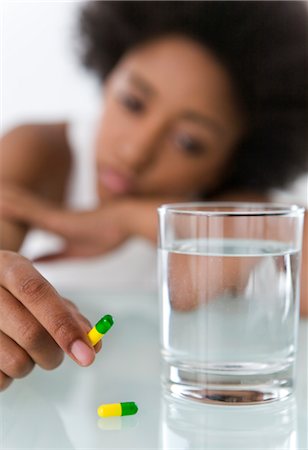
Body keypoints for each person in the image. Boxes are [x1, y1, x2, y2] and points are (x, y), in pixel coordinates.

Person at [0, 1, 307, 391]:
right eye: (132, 102)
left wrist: (124, 218)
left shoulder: (231, 205)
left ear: (230, 161)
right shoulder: (40, 150)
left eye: (188, 142)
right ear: (109, 74)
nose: (135, 152)